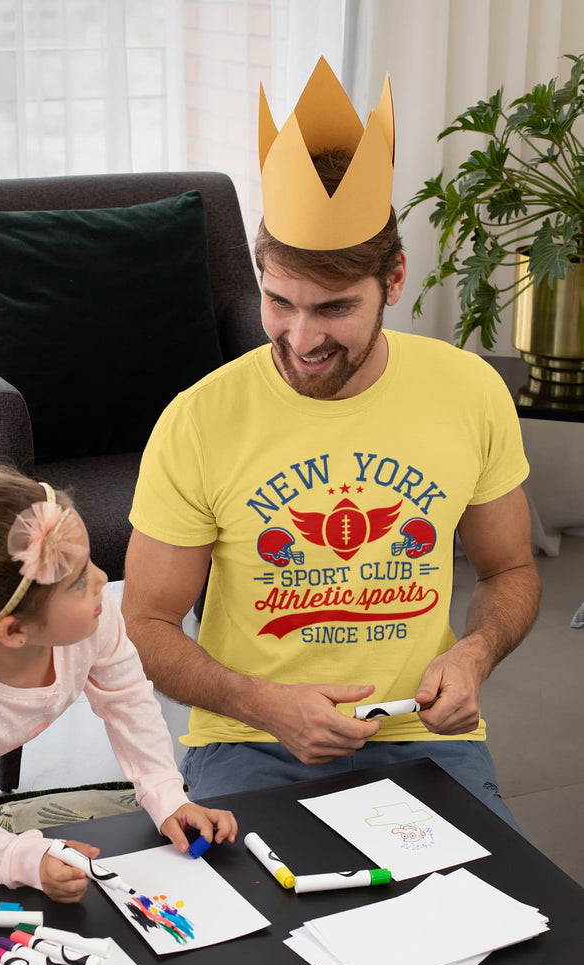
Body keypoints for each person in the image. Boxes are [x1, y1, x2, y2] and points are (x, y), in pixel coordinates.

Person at [121, 59, 541, 829]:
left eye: (335, 307)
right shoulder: (199, 418)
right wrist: (261, 702)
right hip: (252, 738)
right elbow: (144, 625)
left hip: (423, 735)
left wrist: (475, 652)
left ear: (395, 278)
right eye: (278, 301)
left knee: (514, 934)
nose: (301, 337)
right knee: (257, 943)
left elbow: (511, 567)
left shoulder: (469, 391)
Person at [0, 450, 236, 901]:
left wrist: (168, 796)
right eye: (77, 581)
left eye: (88, 563)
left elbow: (128, 700)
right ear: (15, 631)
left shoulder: (94, 613)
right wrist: (24, 858)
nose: (103, 580)